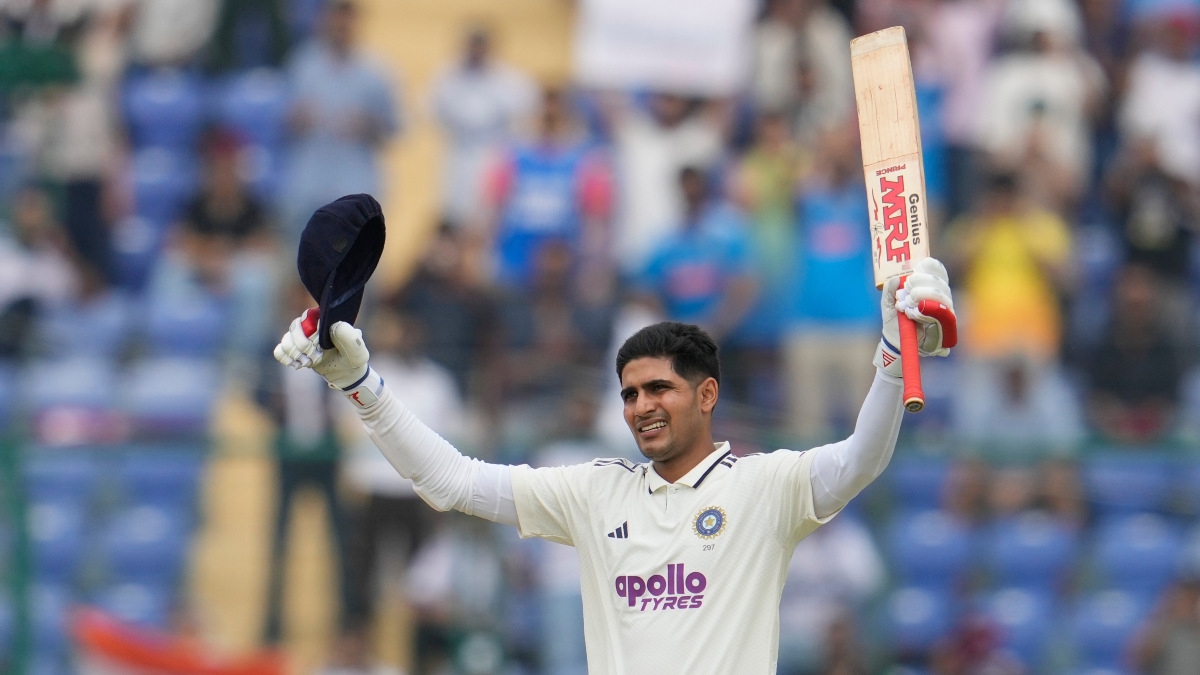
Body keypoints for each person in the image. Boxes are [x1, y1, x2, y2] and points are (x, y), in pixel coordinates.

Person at [273, 258, 957, 672]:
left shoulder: (764, 485)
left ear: (707, 395)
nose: (641, 407)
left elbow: (862, 458)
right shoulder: (595, 491)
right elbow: (450, 480)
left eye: (659, 389)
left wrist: (892, 357)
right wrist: (360, 385)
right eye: (629, 394)